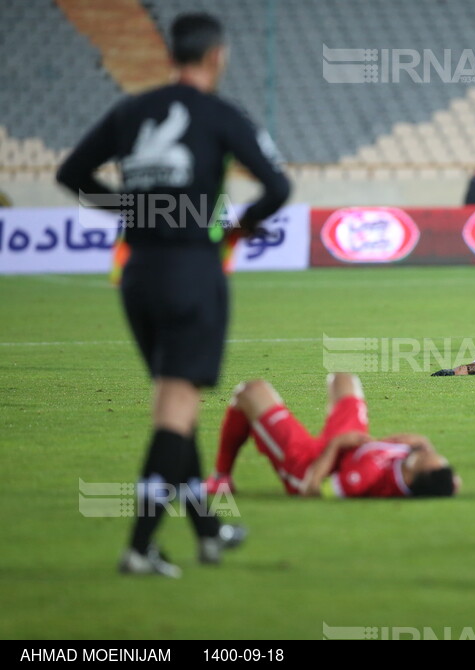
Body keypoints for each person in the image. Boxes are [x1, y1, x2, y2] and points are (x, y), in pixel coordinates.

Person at [56, 13, 291, 577]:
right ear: (216, 56)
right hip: (192, 270)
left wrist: (135, 208)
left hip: (138, 276)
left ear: (172, 55)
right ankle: (139, 547)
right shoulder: (221, 115)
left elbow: (73, 172)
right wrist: (233, 230)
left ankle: (210, 532)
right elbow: (278, 186)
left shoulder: (131, 112)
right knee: (176, 410)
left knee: (173, 405)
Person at [205, 374, 459, 499]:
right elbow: (449, 481)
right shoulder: (427, 473)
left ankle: (221, 478)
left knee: (250, 392)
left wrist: (336, 445)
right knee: (343, 379)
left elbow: (311, 488)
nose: (428, 451)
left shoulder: (362, 477)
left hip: (311, 463)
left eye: (425, 457)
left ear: (411, 476)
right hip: (350, 444)